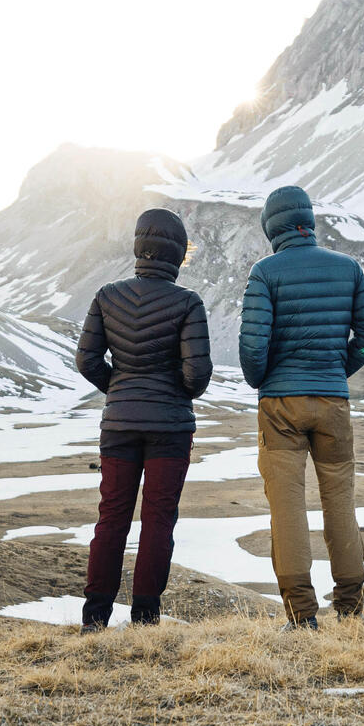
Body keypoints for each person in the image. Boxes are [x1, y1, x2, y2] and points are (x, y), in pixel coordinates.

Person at [238, 184, 364, 628]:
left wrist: (263, 379)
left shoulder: (265, 272)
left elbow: (252, 347)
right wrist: (337, 371)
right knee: (340, 499)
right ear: (310, 221)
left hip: (281, 405)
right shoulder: (348, 268)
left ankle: (302, 616)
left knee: (287, 506)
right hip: (332, 403)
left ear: (271, 227)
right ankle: (351, 610)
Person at [75, 207, 212, 631]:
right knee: (158, 518)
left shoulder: (105, 295)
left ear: (138, 245)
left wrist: (120, 388)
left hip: (118, 424)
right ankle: (145, 618)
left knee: (111, 516)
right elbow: (197, 375)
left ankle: (95, 618)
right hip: (170, 428)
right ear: (177, 254)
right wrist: (174, 392)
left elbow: (87, 361)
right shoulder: (188, 303)